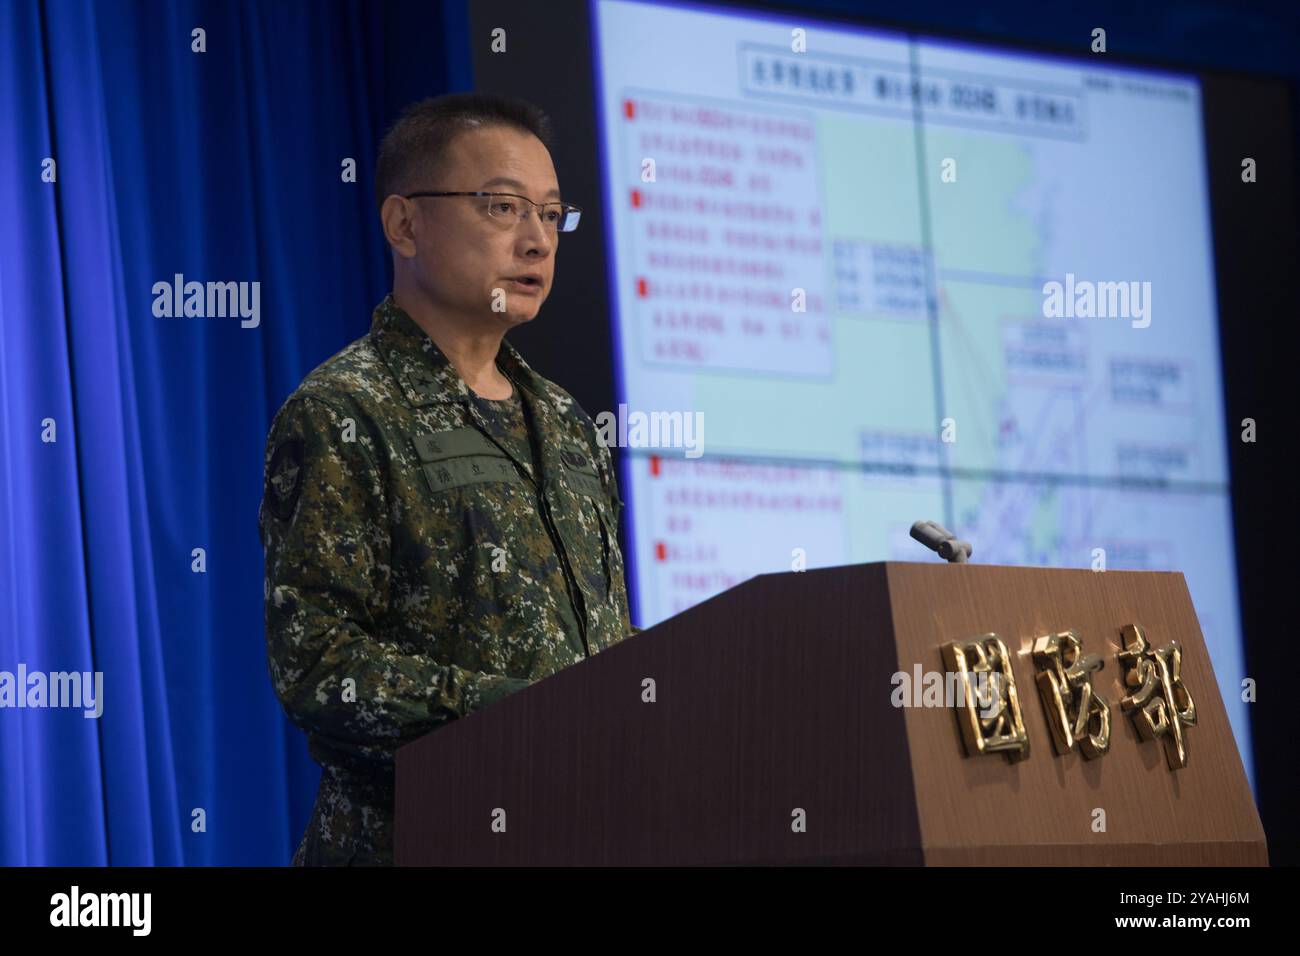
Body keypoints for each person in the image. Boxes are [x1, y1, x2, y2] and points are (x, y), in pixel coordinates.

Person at [258, 92, 638, 866]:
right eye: (503, 207)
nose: (536, 241)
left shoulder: (566, 421)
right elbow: (318, 664)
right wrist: (524, 717)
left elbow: (598, 649)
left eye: (551, 214)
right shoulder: (346, 410)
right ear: (405, 225)